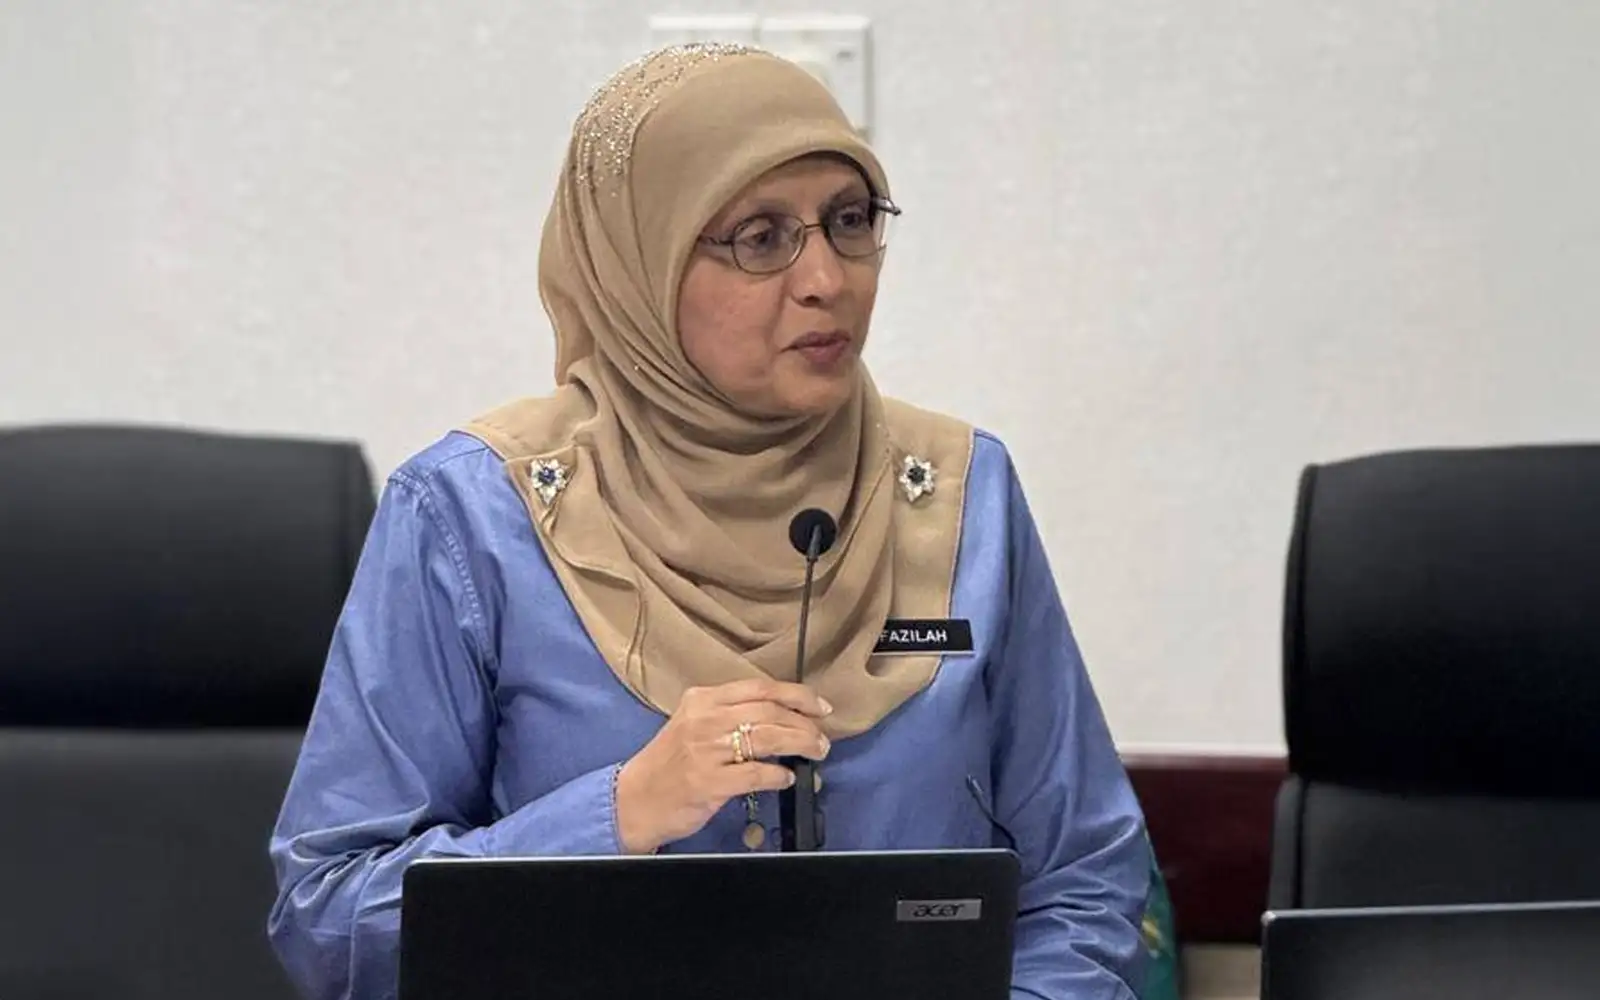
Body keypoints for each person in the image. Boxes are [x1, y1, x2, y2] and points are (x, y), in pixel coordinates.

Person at [267, 42, 1150, 1000]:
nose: (827, 278)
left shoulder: (960, 493)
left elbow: (1087, 884)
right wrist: (617, 814)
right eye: (760, 237)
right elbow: (331, 919)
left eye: (849, 220)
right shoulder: (471, 515)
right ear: (639, 263)